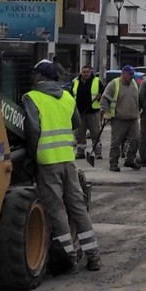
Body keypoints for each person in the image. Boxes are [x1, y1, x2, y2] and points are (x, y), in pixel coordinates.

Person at [22, 60, 101, 273]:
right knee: (77, 206)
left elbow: (32, 130)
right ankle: (94, 256)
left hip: (47, 161)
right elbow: (75, 122)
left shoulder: (31, 97)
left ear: (39, 77)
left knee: (56, 209)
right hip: (68, 158)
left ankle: (70, 257)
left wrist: (31, 156)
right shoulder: (66, 96)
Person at [100, 65, 142, 171]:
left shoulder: (134, 84)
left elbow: (138, 99)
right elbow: (104, 100)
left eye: (133, 74)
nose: (132, 76)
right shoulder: (114, 84)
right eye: (130, 74)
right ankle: (113, 163)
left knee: (136, 140)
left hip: (133, 119)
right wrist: (106, 112)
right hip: (119, 119)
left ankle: (130, 160)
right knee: (116, 142)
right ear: (123, 74)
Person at [70, 65, 104, 160]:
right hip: (79, 112)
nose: (85, 74)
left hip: (93, 112)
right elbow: (71, 95)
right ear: (81, 72)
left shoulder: (97, 81)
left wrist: (100, 96)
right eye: (84, 72)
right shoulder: (75, 82)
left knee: (95, 133)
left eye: (87, 72)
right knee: (80, 134)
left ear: (91, 72)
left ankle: (97, 153)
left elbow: (104, 94)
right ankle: (80, 152)